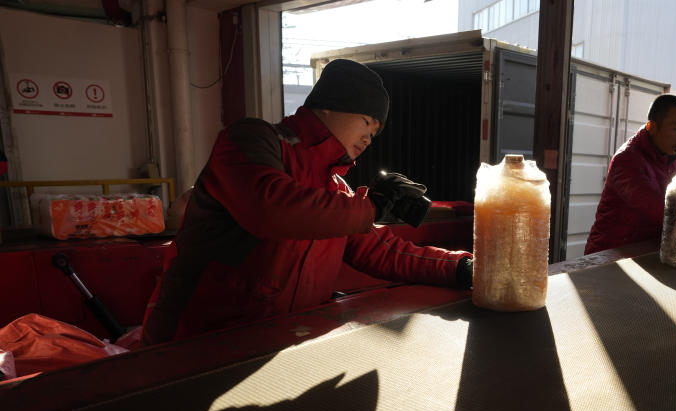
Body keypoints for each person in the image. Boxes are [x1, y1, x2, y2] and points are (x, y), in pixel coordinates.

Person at [141, 59, 473, 345]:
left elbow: (380, 250)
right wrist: (373, 206)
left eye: (377, 132)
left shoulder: (336, 190)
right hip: (193, 343)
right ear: (328, 104)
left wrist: (461, 268)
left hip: (273, 344)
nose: (370, 137)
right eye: (368, 121)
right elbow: (271, 207)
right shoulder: (253, 139)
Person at [584, 94, 676, 254]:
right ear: (652, 127)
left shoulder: (675, 160)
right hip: (607, 255)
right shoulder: (627, 160)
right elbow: (658, 209)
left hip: (641, 253)